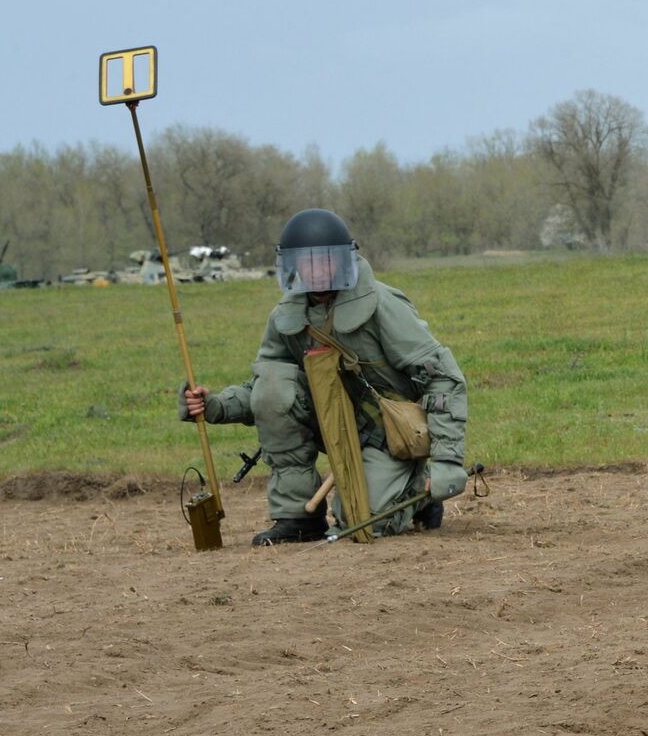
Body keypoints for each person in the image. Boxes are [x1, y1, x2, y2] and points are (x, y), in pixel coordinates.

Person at [180, 209, 471, 545]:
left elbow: (443, 378)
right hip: (330, 425)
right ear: (292, 267)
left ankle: (421, 494)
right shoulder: (286, 318)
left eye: (326, 261)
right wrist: (215, 406)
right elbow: (267, 391)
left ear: (344, 261)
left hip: (390, 435)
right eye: (307, 263)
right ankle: (297, 518)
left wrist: (448, 461)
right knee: (274, 385)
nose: (317, 272)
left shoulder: (382, 304)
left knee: (361, 523)